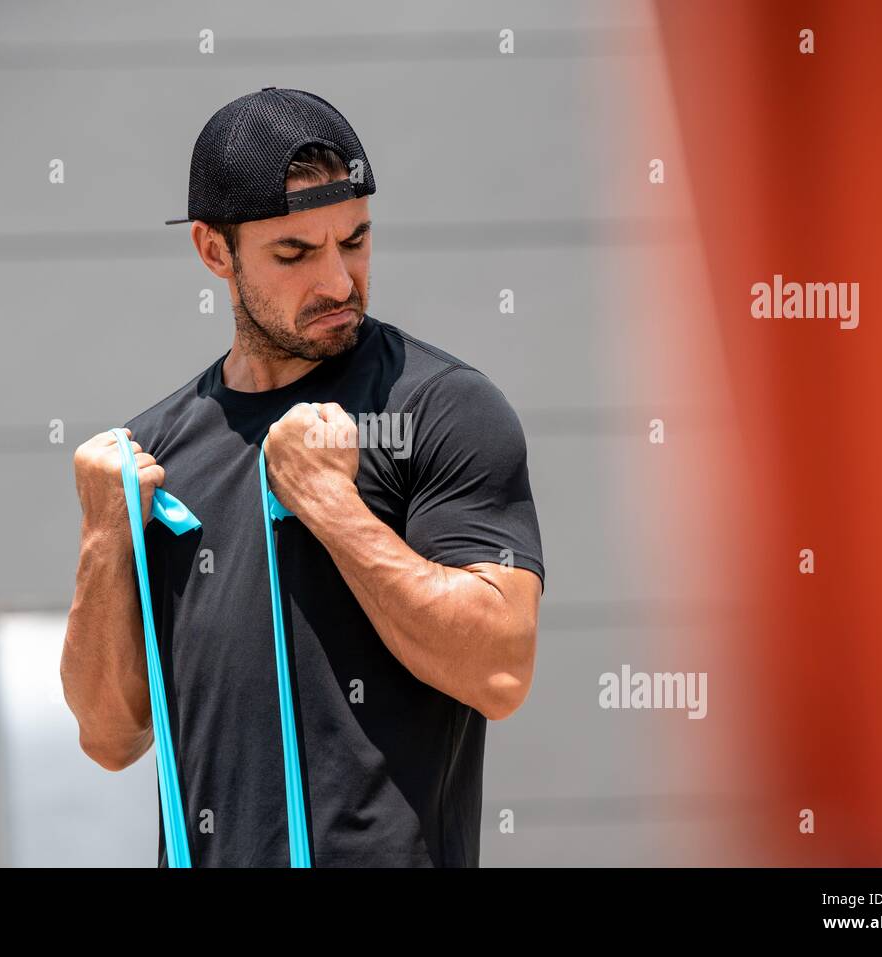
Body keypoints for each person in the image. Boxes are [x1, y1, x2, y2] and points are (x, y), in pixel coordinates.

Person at [61, 87, 544, 867]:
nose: (339, 282)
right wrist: (101, 541)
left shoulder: (440, 406)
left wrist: (329, 504)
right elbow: (109, 736)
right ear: (214, 251)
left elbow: (500, 665)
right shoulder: (157, 449)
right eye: (295, 253)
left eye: (355, 240)